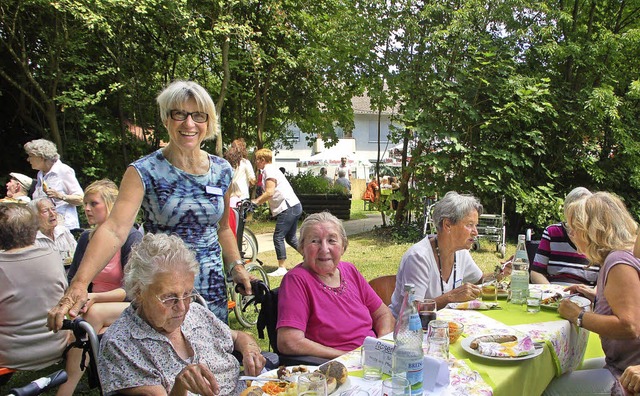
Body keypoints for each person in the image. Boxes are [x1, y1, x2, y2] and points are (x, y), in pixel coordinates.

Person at [48, 80, 251, 331]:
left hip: (210, 286)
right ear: (167, 119)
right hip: (162, 289)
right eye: (180, 114)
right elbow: (114, 229)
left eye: (198, 116)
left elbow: (222, 229)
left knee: (212, 360)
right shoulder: (144, 171)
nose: (189, 124)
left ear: (208, 123)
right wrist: (79, 284)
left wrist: (236, 266)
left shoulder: (221, 171)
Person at [98, 233, 265, 396]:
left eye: (187, 294)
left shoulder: (196, 312)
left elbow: (237, 337)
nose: (182, 307)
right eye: (169, 297)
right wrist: (180, 386)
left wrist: (250, 351)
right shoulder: (122, 344)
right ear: (139, 291)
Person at [544, 192, 640, 395]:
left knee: (550, 390)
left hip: (628, 372)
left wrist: (578, 316)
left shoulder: (618, 261)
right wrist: (595, 296)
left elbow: (630, 326)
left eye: (574, 229)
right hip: (622, 362)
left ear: (591, 231)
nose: (572, 235)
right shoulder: (626, 253)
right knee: (564, 371)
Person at [277, 212, 395, 358]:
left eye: (332, 240)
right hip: (333, 367)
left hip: (372, 358)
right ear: (302, 247)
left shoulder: (349, 270)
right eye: (315, 241)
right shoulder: (296, 280)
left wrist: (379, 346)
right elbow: (289, 341)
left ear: (343, 246)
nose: (324, 249)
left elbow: (383, 314)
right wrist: (347, 356)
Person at [390, 191, 486, 315]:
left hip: (442, 325)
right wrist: (451, 297)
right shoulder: (418, 257)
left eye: (475, 225)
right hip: (409, 330)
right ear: (447, 225)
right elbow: (411, 309)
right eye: (469, 225)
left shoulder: (461, 252)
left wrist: (502, 272)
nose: (475, 232)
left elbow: (479, 279)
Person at [531, 187, 598, 285]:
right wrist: (552, 295)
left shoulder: (598, 237)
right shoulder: (552, 232)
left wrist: (589, 295)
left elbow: (604, 281)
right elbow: (536, 272)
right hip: (553, 292)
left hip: (586, 297)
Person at [253, 148, 302, 277]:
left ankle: (282, 267)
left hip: (288, 207)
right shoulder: (269, 170)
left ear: (262, 160)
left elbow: (270, 192)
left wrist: (255, 202)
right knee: (290, 238)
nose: (256, 162)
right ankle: (311, 258)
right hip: (294, 206)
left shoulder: (269, 170)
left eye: (257, 159)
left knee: (278, 236)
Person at [24, 139, 84, 229]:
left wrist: (60, 196)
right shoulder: (40, 174)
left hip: (65, 227)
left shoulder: (63, 170)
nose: (28, 159)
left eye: (31, 156)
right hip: (46, 227)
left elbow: (81, 199)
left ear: (41, 157)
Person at [29, 197, 77, 267]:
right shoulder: (32, 239)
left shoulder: (63, 231)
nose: (52, 213)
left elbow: (77, 254)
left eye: (53, 209)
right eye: (45, 211)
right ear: (35, 216)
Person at [224, 138, 256, 209]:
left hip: (229, 197)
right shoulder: (245, 162)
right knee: (241, 219)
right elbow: (252, 180)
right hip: (242, 196)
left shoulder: (227, 163)